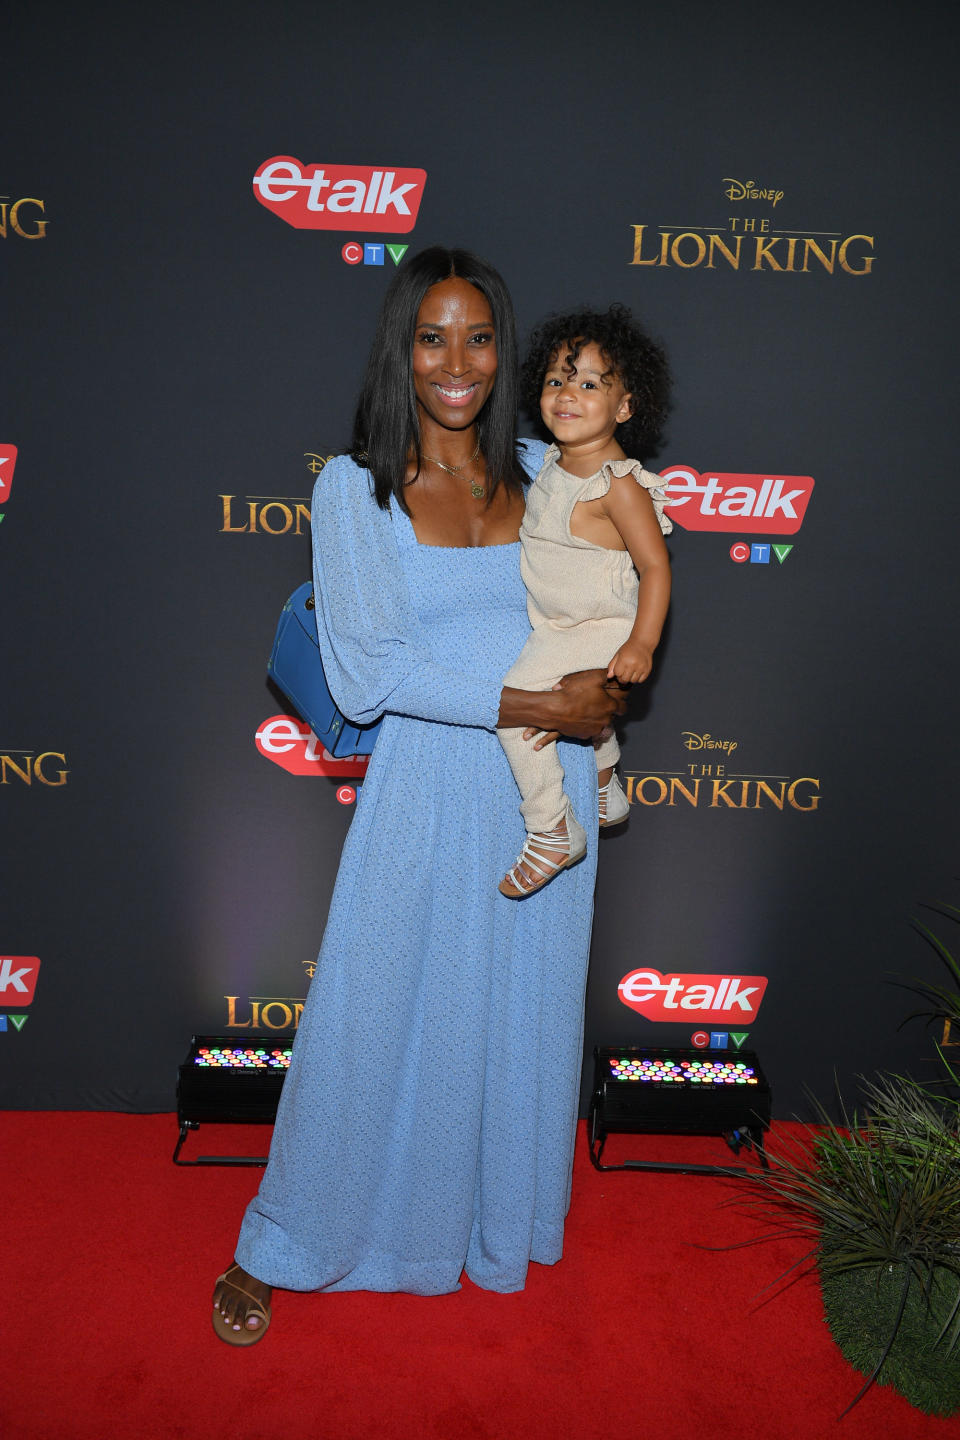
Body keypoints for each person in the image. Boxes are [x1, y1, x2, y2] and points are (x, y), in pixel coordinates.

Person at [212, 247, 626, 1344]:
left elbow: (623, 577)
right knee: (371, 1010)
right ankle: (289, 1235)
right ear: (402, 349)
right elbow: (368, 673)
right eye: (433, 336)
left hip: (549, 793)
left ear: (507, 350)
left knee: (519, 1015)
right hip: (429, 786)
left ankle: (493, 1227)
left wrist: (604, 681)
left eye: (480, 336)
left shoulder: (551, 466)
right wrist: (537, 703)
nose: (458, 361)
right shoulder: (354, 487)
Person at [496, 305, 673, 899]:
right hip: (555, 625)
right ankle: (604, 777)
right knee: (559, 700)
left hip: (600, 625)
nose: (568, 393)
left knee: (516, 715)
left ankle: (551, 827)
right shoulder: (547, 460)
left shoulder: (618, 484)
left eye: (590, 383)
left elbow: (653, 566)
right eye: (556, 380)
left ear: (624, 407)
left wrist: (642, 642)